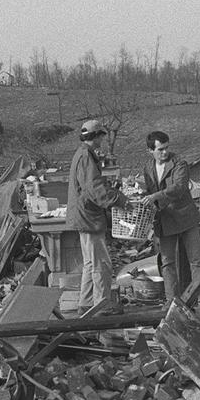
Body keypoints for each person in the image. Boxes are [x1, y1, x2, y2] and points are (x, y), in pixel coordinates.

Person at [67, 119, 127, 310]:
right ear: (96, 136)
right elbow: (95, 189)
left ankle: (85, 305)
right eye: (101, 135)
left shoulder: (83, 154)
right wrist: (119, 199)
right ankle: (101, 307)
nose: (103, 138)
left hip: (84, 216)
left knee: (90, 264)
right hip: (89, 218)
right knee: (101, 264)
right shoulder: (86, 156)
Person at [140, 130, 200, 300]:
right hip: (165, 220)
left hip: (185, 217)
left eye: (166, 148)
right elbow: (150, 190)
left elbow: (179, 187)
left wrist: (155, 196)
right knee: (167, 262)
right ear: (150, 151)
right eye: (160, 149)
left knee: (196, 261)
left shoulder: (179, 163)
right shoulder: (148, 167)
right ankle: (171, 301)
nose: (165, 152)